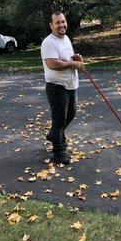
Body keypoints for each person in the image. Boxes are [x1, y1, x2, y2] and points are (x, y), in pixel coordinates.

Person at [41, 11, 85, 164]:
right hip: (56, 86)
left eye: (63, 21)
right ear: (51, 25)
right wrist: (72, 64)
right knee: (59, 119)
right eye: (58, 22)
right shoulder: (49, 42)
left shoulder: (66, 39)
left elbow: (67, 58)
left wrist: (76, 59)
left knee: (71, 114)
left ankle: (54, 134)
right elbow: (52, 63)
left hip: (71, 84)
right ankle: (59, 153)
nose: (62, 25)